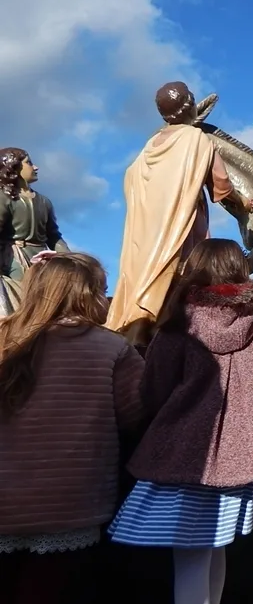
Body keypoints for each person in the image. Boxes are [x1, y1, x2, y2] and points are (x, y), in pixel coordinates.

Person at [108, 239, 253, 604]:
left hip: (186, 455)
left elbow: (154, 389)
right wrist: (251, 400)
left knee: (190, 554)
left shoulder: (178, 324)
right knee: (215, 546)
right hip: (244, 453)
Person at [0, 253, 145, 604]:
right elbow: (138, 415)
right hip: (71, 507)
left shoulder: (4, 337)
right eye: (101, 290)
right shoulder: (112, 348)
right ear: (85, 295)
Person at [107, 81, 253, 345]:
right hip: (182, 224)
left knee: (144, 278)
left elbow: (130, 180)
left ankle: (138, 331)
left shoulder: (149, 146)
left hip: (143, 233)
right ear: (190, 105)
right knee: (184, 278)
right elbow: (221, 185)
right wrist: (244, 202)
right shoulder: (196, 139)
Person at [0, 148, 69, 282]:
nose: (36, 167)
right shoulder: (4, 197)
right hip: (15, 257)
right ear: (14, 167)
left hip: (43, 259)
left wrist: (69, 258)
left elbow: (54, 236)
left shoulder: (44, 201)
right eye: (29, 163)